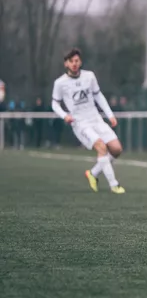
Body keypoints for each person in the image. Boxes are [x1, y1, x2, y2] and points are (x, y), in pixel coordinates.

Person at [51, 48, 126, 194]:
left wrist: (109, 115)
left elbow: (98, 96)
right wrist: (64, 115)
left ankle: (93, 174)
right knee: (101, 147)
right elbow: (55, 104)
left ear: (80, 62)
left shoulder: (89, 76)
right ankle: (114, 184)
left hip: (96, 119)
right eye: (71, 61)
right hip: (80, 123)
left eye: (76, 60)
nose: (74, 63)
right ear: (66, 64)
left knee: (116, 149)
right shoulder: (60, 83)